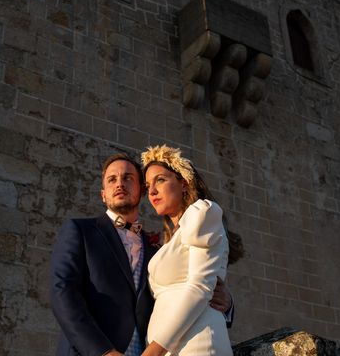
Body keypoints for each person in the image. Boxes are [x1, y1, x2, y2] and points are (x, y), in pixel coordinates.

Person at [50, 153, 232, 356]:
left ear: (141, 190)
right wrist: (102, 352)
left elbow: (191, 285)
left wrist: (227, 304)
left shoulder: (157, 248)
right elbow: (62, 292)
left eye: (128, 178)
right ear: (103, 194)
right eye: (112, 179)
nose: (119, 184)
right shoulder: (80, 231)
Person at [141, 145, 242, 356]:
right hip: (170, 347)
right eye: (148, 185)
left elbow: (199, 287)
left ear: (184, 183)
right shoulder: (171, 239)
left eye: (160, 180)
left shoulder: (202, 213)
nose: (151, 191)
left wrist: (152, 352)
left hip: (197, 343)